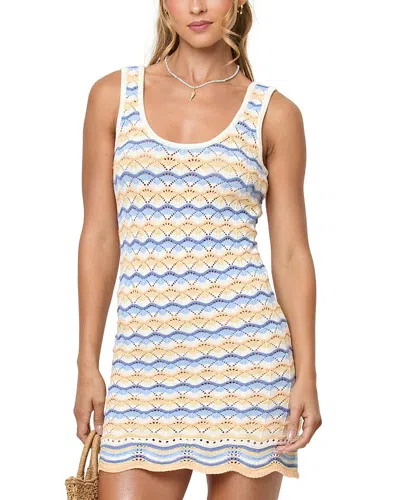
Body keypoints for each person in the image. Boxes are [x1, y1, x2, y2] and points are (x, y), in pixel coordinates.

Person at [73, 1, 322, 498]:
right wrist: (86, 363)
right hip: (142, 367)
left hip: (249, 368)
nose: (198, 6)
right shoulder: (113, 98)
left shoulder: (274, 114)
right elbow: (99, 236)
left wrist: (308, 374)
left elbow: (292, 254)